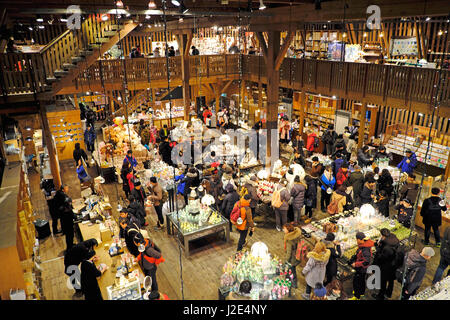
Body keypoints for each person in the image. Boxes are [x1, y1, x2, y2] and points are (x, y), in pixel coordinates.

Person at [371, 228, 399, 300]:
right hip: (394, 264)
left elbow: (381, 258)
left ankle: (380, 296)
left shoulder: (386, 247)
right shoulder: (394, 239)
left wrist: (378, 247)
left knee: (383, 282)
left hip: (385, 267)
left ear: (383, 236)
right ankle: (389, 293)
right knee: (391, 280)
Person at [348, 232, 375, 300]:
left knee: (357, 282)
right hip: (363, 269)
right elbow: (359, 254)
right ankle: (361, 293)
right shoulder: (364, 245)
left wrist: (356, 264)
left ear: (360, 240)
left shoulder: (365, 249)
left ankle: (356, 296)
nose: (356, 241)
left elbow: (366, 261)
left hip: (362, 269)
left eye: (357, 239)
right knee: (362, 281)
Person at [55, 185, 76, 251]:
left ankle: (70, 245)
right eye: (66, 188)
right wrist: (74, 216)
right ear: (63, 189)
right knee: (70, 234)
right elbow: (67, 200)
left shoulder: (59, 194)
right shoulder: (66, 209)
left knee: (69, 234)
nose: (67, 189)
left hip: (64, 220)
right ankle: (70, 248)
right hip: (67, 221)